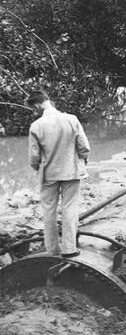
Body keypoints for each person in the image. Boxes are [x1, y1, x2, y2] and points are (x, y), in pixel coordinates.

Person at [27, 90, 90, 257]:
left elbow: (34, 158)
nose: (35, 111)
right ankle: (70, 249)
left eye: (34, 108)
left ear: (37, 105)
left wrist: (37, 168)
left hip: (49, 174)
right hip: (72, 171)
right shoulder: (72, 119)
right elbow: (84, 147)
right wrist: (82, 159)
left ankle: (53, 250)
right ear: (48, 100)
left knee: (49, 212)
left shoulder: (36, 126)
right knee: (70, 209)